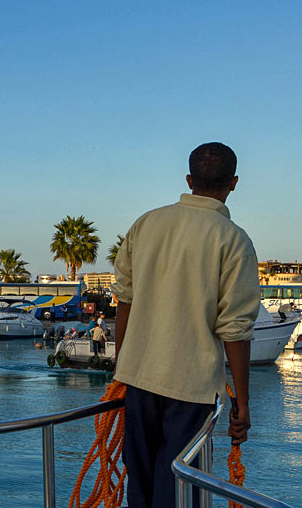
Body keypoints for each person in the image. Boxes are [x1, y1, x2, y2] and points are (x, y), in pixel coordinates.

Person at [111, 142, 259, 508]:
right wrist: (242, 401)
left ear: (189, 179)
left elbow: (124, 303)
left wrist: (121, 368)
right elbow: (235, 330)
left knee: (140, 486)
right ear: (234, 183)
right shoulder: (234, 240)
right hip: (191, 390)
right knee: (178, 490)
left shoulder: (146, 224)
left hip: (138, 381)